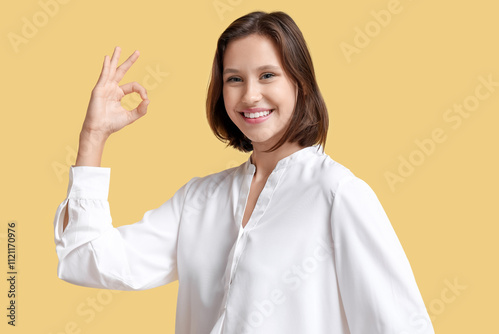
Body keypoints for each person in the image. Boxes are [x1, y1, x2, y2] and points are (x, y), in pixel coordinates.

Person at [53, 10, 435, 334]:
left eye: (268, 75)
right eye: (234, 79)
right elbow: (90, 259)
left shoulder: (337, 195)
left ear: (299, 84)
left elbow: (401, 324)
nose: (250, 95)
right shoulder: (199, 200)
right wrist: (93, 135)